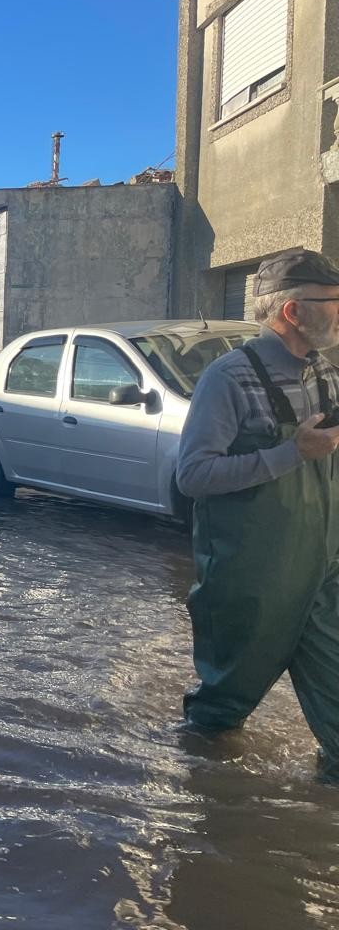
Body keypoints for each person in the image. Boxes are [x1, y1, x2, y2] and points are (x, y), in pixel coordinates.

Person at [176, 248, 339, 777]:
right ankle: (202, 809)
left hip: (323, 574)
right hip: (251, 583)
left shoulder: (324, 370)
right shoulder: (227, 379)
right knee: (216, 720)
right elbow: (193, 476)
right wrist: (293, 451)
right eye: (334, 303)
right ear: (293, 312)